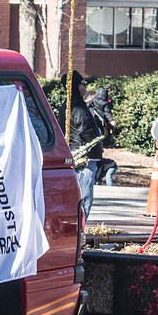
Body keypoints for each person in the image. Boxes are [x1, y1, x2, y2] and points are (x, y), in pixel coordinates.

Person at [62, 71, 104, 220]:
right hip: (83, 156)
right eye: (83, 84)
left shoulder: (66, 105)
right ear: (75, 85)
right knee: (84, 197)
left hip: (74, 152)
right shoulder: (78, 106)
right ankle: (80, 232)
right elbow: (85, 128)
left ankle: (78, 231)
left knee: (78, 197)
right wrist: (95, 145)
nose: (86, 87)